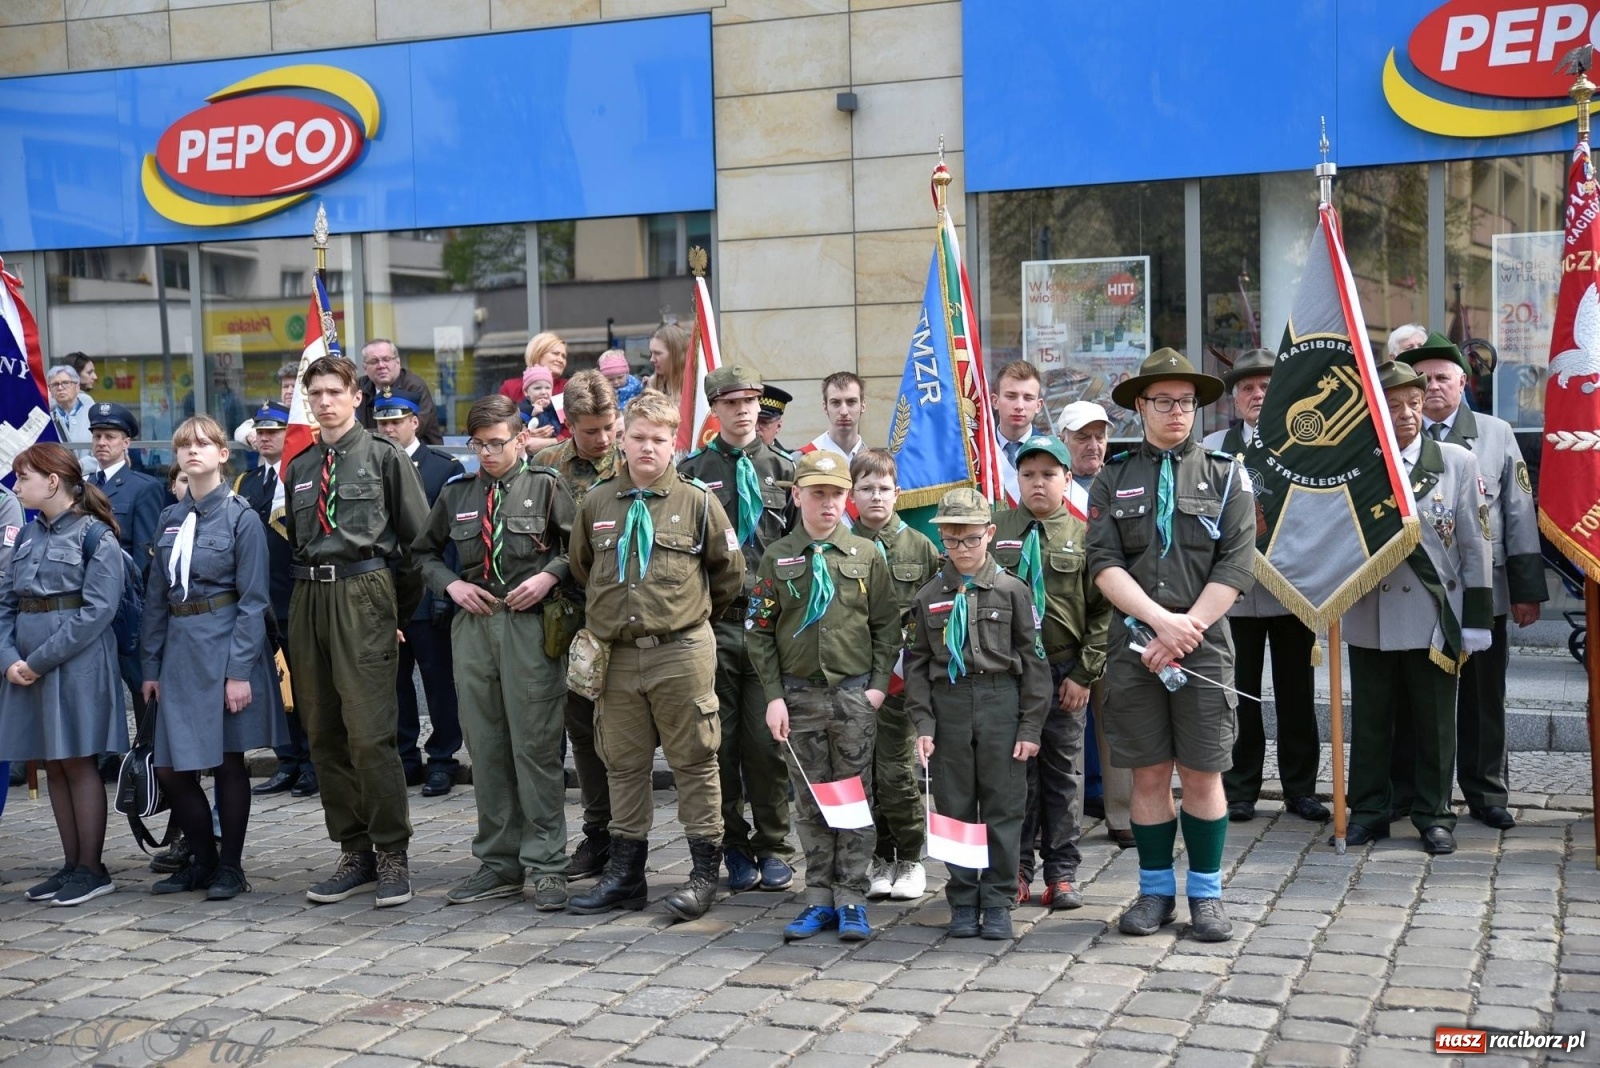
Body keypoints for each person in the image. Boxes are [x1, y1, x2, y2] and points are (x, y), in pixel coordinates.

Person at [1087, 348, 1256, 943]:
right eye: (1163, 401)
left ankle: (1206, 895)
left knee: (1204, 774)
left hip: (1203, 646)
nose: (1177, 411)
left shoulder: (1228, 475)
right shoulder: (1112, 477)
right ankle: (1155, 891)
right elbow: (1103, 564)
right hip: (1136, 644)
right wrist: (1161, 623)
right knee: (1149, 774)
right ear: (1140, 406)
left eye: (1186, 401)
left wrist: (1186, 629)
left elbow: (1236, 565)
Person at [566, 390, 744, 920]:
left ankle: (703, 872)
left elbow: (728, 574)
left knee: (695, 761)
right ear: (622, 440)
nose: (647, 447)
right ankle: (626, 875)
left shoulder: (698, 502)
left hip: (681, 651)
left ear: (674, 444)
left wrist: (685, 616)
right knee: (622, 763)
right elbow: (582, 567)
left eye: (659, 440)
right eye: (638, 437)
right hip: (618, 656)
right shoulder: (596, 502)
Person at [414, 394, 575, 910]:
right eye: (478, 445)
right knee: (484, 747)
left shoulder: (547, 487)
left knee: (535, 747)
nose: (487, 453)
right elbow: (423, 553)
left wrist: (550, 576)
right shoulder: (457, 492)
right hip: (475, 625)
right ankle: (499, 863)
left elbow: (581, 549)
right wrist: (451, 585)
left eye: (497, 443)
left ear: (521, 438)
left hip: (529, 626)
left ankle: (547, 863)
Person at [285, 355, 430, 908]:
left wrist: (393, 613)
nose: (325, 402)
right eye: (316, 394)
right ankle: (354, 850)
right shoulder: (300, 466)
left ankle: (392, 852)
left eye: (334, 392)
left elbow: (417, 546)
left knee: (371, 734)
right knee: (323, 732)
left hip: (363, 594)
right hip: (309, 598)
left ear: (356, 396)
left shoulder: (384, 457)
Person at [1395, 330, 1544, 831]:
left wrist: (1526, 591)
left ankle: (1486, 791)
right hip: (1418, 591)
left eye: (1443, 377)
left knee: (1483, 697)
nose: (1433, 386)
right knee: (1415, 699)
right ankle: (1411, 792)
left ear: (1463, 382)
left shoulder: (1496, 433)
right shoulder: (1393, 437)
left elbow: (1518, 513)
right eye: (1423, 378)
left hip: (1484, 588)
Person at [1342, 360, 1493, 855]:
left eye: (1413, 402)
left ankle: (1434, 815)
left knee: (1435, 722)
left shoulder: (1455, 461)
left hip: (1433, 612)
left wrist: (1476, 618)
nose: (1406, 413)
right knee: (1370, 722)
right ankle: (1368, 811)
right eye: (1393, 404)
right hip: (1369, 610)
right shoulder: (1355, 463)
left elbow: (1475, 543)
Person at [749, 450, 898, 943]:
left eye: (836, 494)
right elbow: (759, 630)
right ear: (797, 496)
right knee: (811, 800)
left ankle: (851, 896)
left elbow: (886, 626)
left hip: (853, 697)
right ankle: (818, 897)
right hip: (798, 698)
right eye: (818, 494)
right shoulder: (777, 556)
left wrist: (877, 688)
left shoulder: (865, 554)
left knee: (853, 799)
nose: (828, 503)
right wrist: (773, 696)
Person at [140, 416, 285, 900]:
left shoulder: (242, 517)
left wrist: (239, 673)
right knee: (171, 767)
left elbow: (253, 600)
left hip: (224, 646)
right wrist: (150, 666)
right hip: (180, 650)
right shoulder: (170, 517)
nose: (192, 451)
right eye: (184, 445)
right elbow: (156, 597)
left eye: (203, 444)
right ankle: (201, 860)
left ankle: (229, 867)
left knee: (226, 761)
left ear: (223, 455)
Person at [907, 487, 1051, 941]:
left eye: (970, 538)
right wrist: (924, 723)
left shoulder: (1012, 590)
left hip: (999, 701)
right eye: (951, 540)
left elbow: (1034, 662)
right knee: (955, 807)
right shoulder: (930, 594)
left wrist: (1030, 726)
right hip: (948, 703)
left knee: (1003, 806)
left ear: (989, 533)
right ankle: (964, 899)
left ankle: (999, 899)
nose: (962, 548)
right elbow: (916, 665)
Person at [679, 366, 799, 893]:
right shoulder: (692, 473)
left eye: (750, 401)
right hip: (716, 624)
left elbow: (801, 549)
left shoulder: (787, 470)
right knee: (719, 745)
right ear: (715, 409)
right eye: (731, 403)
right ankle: (733, 844)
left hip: (770, 628)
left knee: (768, 744)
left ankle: (774, 845)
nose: (743, 410)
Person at [1199, 348, 1328, 825]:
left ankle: (1301, 789)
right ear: (1234, 400)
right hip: (1231, 593)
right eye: (1248, 388)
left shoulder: (1307, 442)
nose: (1257, 395)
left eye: (1267, 387)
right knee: (1237, 694)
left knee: (1297, 695)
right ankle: (1239, 789)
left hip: (1293, 588)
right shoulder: (1213, 446)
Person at [0, 443, 126, 905]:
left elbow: (97, 612)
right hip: (26, 665)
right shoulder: (27, 536)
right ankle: (71, 864)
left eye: (24, 477)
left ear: (53, 482)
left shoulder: (95, 535)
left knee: (76, 760)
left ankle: (92, 868)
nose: (17, 486)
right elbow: (5, 601)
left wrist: (36, 661)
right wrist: (7, 657)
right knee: (51, 761)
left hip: (76, 665)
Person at [993, 435, 1111, 910]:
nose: (1037, 483)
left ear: (1067, 479)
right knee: (1014, 774)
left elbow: (1102, 612)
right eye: (1028, 475)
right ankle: (1016, 870)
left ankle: (1061, 873)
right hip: (1010, 672)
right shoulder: (995, 530)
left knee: (1063, 776)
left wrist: (1085, 673)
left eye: (1048, 474)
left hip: (1064, 671)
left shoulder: (1085, 536)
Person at [532, 371, 621, 880]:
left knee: (628, 733)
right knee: (583, 730)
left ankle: (631, 836)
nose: (603, 439)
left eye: (609, 426)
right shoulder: (546, 466)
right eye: (590, 431)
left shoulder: (637, 460)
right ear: (568, 423)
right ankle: (598, 832)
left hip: (627, 615)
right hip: (571, 618)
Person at [849, 448, 940, 902]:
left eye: (884, 488)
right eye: (866, 488)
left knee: (896, 773)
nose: (876, 496)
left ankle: (909, 856)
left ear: (898, 493)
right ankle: (879, 855)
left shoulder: (919, 547)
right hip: (852, 679)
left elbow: (934, 613)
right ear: (852, 494)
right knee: (859, 774)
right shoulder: (840, 543)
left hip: (901, 683)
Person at [374, 387, 467, 798]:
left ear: (415, 422)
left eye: (396, 421)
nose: (389, 429)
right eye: (382, 422)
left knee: (437, 679)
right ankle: (405, 756)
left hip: (428, 591)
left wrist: (446, 591)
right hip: (385, 590)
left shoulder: (441, 467)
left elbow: (452, 536)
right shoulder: (371, 463)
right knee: (393, 681)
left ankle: (443, 759)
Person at [1057, 400, 1133, 849]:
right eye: (1082, 436)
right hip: (1069, 621)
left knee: (1117, 719)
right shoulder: (1051, 485)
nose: (1093, 444)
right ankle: (1063, 819)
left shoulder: (1120, 481)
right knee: (1065, 727)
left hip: (1117, 618)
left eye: (1100, 436)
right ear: (1063, 439)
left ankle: (1123, 814)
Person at [234, 401, 316, 800]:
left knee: (306, 687)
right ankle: (287, 759)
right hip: (258, 601)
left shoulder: (301, 476)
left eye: (275, 431)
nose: (266, 438)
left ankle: (313, 763)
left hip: (295, 596)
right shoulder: (245, 483)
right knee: (274, 686)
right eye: (261, 431)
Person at [87, 402, 165, 733]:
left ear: (126, 443)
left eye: (110, 436)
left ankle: (149, 752)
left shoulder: (143, 487)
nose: (102, 442)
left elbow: (147, 553)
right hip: (89, 603)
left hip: (127, 605)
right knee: (95, 686)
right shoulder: (82, 487)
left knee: (140, 685)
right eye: (97, 436)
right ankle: (106, 755)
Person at [355, 338, 444, 444]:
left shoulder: (414, 387)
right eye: (374, 361)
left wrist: (360, 435)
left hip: (419, 451)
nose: (381, 365)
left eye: (386, 359)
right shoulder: (358, 387)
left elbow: (410, 432)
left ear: (398, 362)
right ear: (365, 368)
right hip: (372, 451)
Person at [992, 361, 1045, 505]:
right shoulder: (979, 451)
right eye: (1011, 396)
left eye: (1028, 398)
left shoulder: (1051, 452)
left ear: (1038, 405)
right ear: (995, 401)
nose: (1019, 406)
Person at [798, 372, 867, 463]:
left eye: (851, 402)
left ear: (863, 406)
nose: (844, 412)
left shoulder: (877, 464)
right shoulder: (801, 460)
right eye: (835, 402)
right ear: (825, 407)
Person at [500, 332, 569, 405]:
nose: (561, 360)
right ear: (537, 353)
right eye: (555, 353)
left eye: (563, 356)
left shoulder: (569, 388)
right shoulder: (510, 388)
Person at [47, 365, 92, 454]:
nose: (60, 388)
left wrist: (84, 462)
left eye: (65, 383)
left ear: (77, 387)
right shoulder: (46, 418)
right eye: (55, 384)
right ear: (50, 391)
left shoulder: (92, 414)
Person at [645, 324, 688, 406]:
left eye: (657, 353)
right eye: (651, 353)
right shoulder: (653, 383)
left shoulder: (696, 385)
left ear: (675, 354)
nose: (652, 359)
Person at [520, 365, 564, 444]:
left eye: (548, 388)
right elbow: (518, 428)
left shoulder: (555, 408)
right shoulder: (522, 408)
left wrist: (539, 415)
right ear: (526, 392)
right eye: (537, 388)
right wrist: (533, 414)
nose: (543, 392)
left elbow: (555, 430)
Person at [757, 385, 792, 453]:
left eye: (763, 422)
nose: (755, 428)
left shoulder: (791, 459)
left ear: (778, 426)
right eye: (751, 422)